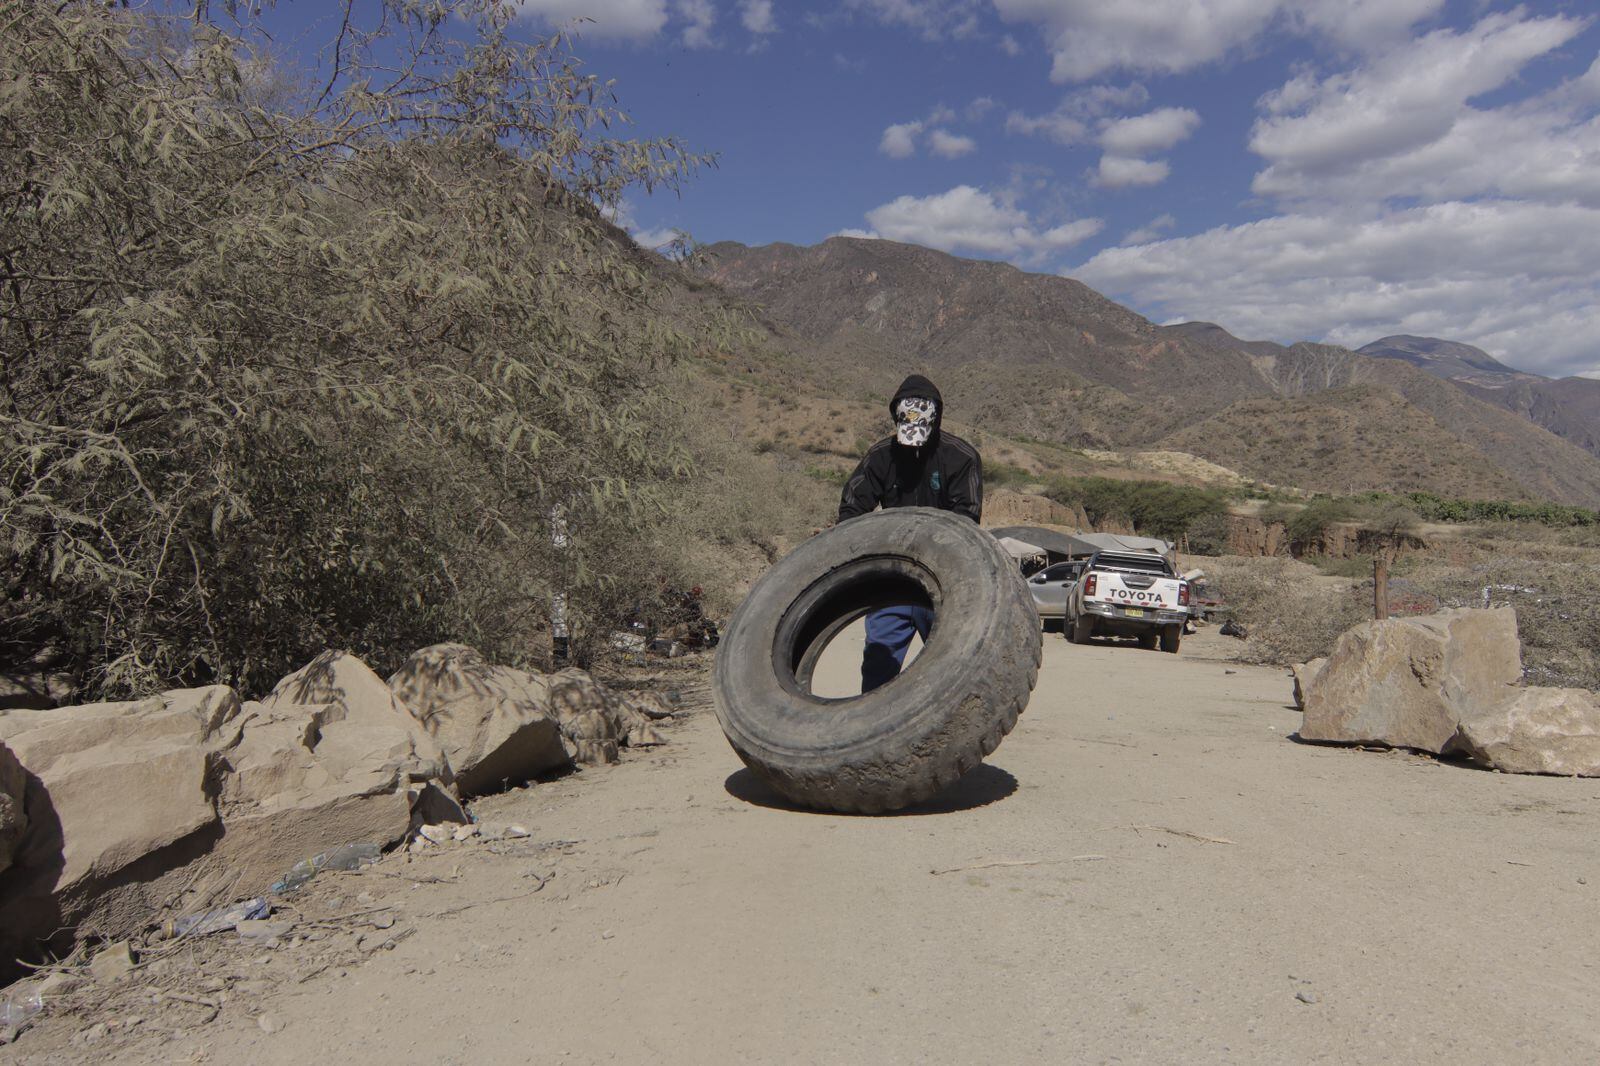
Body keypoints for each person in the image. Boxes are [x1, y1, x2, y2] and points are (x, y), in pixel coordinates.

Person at [838, 374, 982, 691]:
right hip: (893, 583)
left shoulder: (961, 457)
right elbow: (851, 510)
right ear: (896, 418)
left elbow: (967, 518)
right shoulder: (880, 456)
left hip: (945, 584)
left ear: (936, 419)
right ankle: (875, 730)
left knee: (954, 669)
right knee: (878, 669)